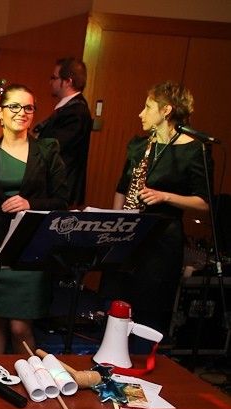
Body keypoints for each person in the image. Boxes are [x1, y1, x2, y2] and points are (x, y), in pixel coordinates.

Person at [0, 84, 68, 354]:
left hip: (31, 250)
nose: (21, 112)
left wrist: (30, 204)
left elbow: (62, 200)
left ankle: (30, 376)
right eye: (14, 106)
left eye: (28, 107)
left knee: (20, 327)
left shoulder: (47, 151)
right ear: (0, 112)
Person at [106, 81, 210, 338]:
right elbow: (122, 188)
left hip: (162, 242)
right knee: (115, 307)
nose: (141, 113)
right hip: (129, 236)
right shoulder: (139, 146)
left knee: (148, 311)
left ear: (166, 110)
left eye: (148, 107)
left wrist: (165, 196)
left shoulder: (195, 150)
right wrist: (116, 225)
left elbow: (203, 202)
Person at [33, 57, 92, 207]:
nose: (50, 82)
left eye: (54, 78)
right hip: (56, 186)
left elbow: (54, 147)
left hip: (62, 189)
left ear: (68, 82)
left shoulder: (76, 112)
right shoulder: (68, 108)